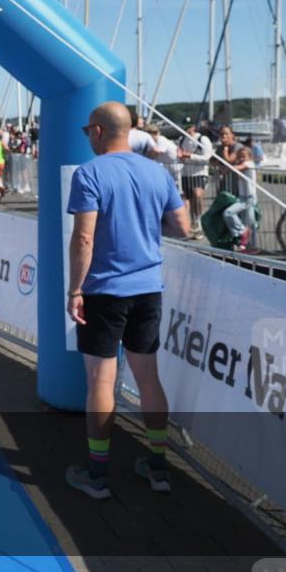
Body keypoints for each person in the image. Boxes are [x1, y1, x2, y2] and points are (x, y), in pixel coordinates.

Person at [65, 102, 190, 499]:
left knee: (101, 381)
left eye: (87, 131)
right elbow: (183, 227)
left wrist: (75, 290)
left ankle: (98, 474)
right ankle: (158, 467)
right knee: (148, 379)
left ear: (98, 131)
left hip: (105, 290)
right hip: (148, 288)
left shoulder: (90, 173)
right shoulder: (157, 171)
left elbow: (83, 238)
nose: (87, 137)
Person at [178, 123, 213, 238]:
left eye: (187, 127)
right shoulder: (181, 139)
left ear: (193, 127)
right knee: (188, 200)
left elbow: (207, 157)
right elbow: (180, 156)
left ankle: (198, 223)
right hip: (186, 174)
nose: (185, 130)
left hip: (200, 173)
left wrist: (190, 156)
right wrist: (180, 156)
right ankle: (193, 223)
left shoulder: (202, 139)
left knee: (197, 194)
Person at [221, 145, 258, 252]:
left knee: (229, 213)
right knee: (249, 222)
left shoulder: (249, 164)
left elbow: (237, 168)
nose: (242, 159)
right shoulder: (242, 165)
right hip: (243, 197)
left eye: (244, 156)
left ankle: (244, 235)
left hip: (249, 197)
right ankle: (248, 245)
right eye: (240, 157)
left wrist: (226, 168)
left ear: (250, 157)